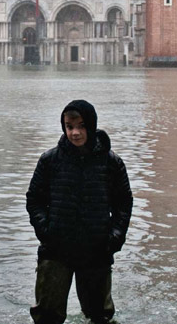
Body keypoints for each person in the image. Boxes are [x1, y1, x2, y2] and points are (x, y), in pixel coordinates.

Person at [26, 100, 133, 324]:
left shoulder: (111, 163)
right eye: (69, 126)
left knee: (99, 316)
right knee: (46, 316)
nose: (75, 133)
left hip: (96, 250)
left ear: (91, 125)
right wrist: (46, 231)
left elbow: (123, 204)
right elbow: (34, 200)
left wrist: (114, 238)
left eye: (81, 126)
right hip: (56, 250)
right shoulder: (50, 160)